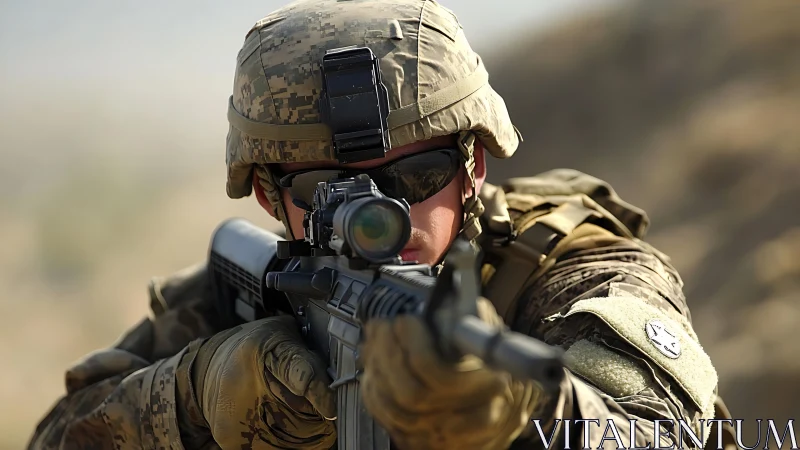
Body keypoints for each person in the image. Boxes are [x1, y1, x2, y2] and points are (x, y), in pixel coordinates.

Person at [28, 0, 735, 449]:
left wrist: (521, 415)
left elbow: (664, 436)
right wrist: (191, 400)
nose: (382, 212)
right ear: (273, 201)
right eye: (322, 187)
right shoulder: (246, 293)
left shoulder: (572, 270)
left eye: (416, 175)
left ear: (474, 165)